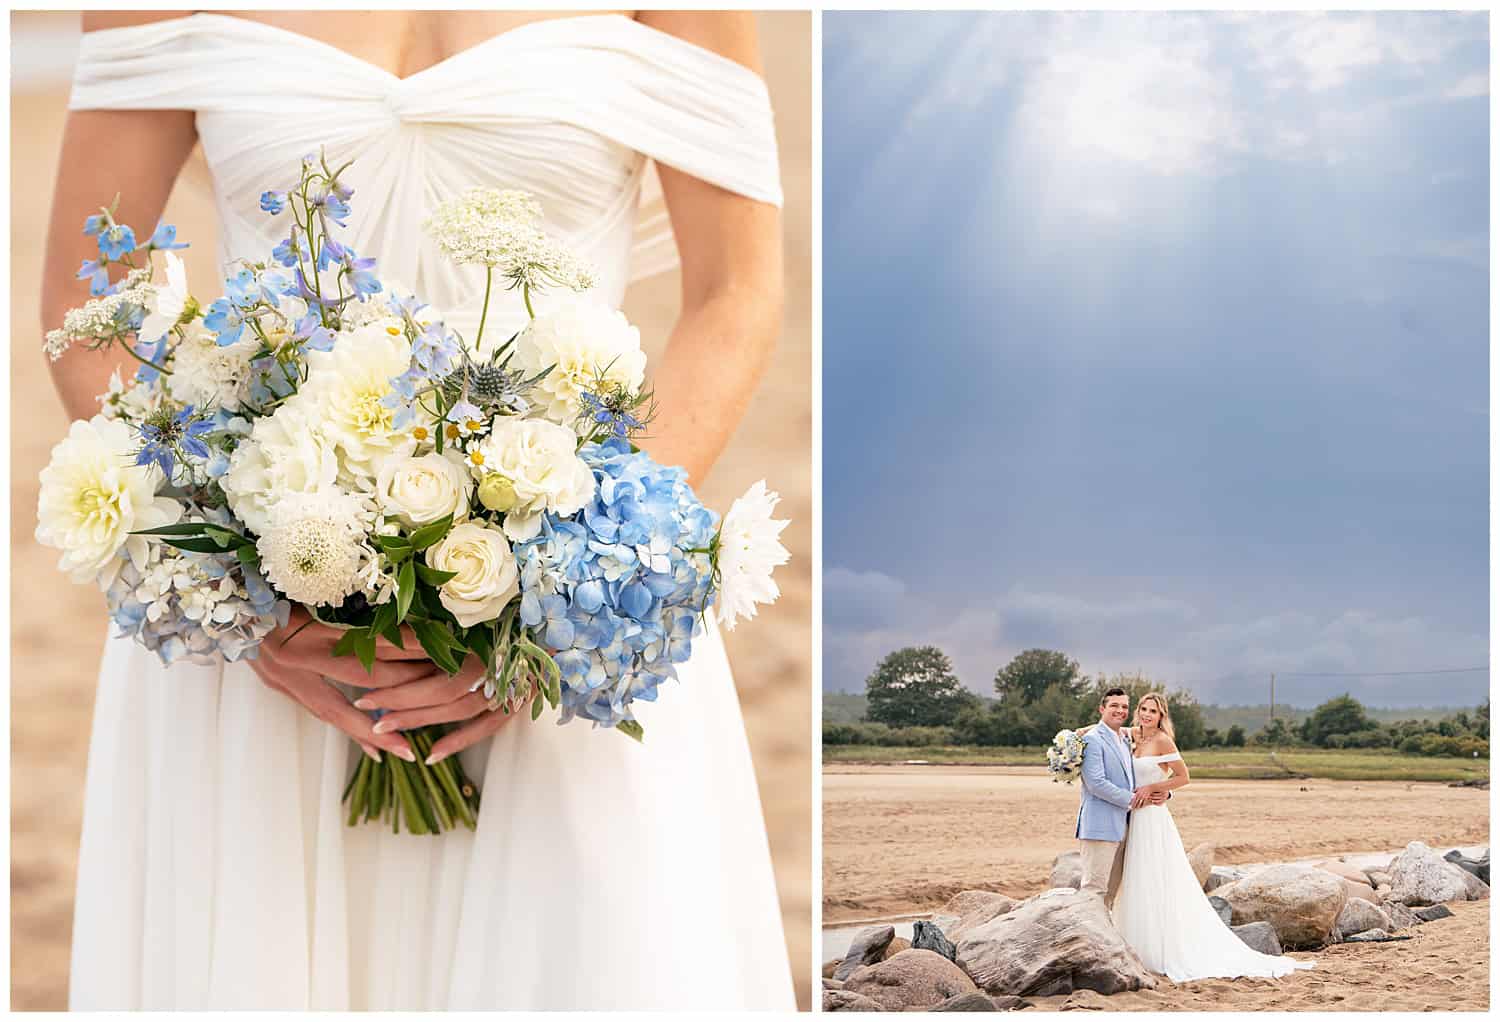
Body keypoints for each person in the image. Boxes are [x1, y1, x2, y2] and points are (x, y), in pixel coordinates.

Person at [43, 10, 794, 1009]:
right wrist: (247, 592)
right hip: (268, 648)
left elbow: (737, 291)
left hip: (560, 631)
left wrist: (563, 580)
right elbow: (88, 305)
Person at [1111, 693, 1314, 982]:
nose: (1146, 715)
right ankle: (1137, 943)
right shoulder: (1132, 735)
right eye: (1143, 709)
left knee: (1156, 877)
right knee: (1137, 878)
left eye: (1152, 711)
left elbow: (1184, 776)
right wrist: (1074, 739)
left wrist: (1156, 788)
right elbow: (1104, 730)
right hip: (1134, 817)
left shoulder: (1162, 740)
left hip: (1153, 817)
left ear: (1161, 715)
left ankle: (1161, 949)